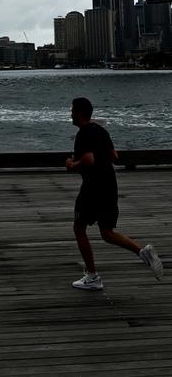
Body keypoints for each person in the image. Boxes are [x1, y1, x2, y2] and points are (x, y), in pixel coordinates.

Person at [66, 96, 164, 290]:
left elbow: (88, 160)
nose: (70, 114)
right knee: (107, 233)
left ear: (79, 112)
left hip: (92, 189)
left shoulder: (84, 133)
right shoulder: (101, 131)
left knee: (79, 227)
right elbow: (114, 156)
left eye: (72, 110)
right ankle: (142, 252)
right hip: (109, 185)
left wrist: (71, 165)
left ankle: (93, 277)